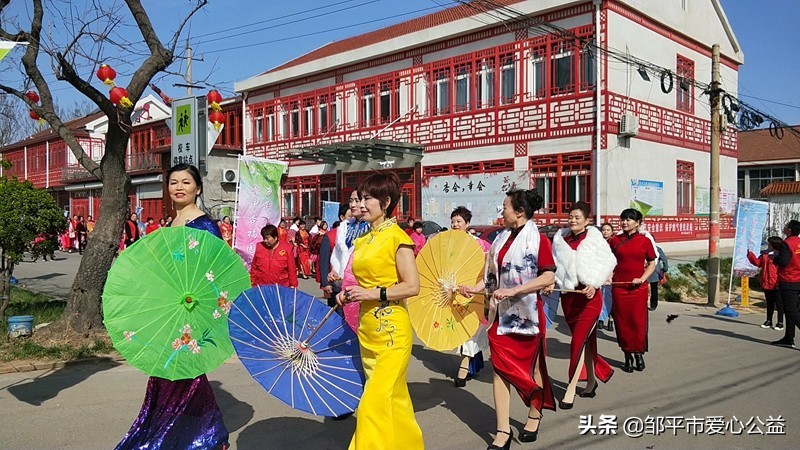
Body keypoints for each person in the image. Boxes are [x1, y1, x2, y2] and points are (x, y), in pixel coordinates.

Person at [116, 163, 230, 450]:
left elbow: (214, 269)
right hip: (168, 309)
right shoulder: (170, 224)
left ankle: (197, 435)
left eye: (186, 183)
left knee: (182, 371)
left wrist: (196, 296)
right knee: (167, 371)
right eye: (173, 183)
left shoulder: (205, 224)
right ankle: (202, 432)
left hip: (190, 310)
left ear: (198, 188)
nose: (179, 187)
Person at [459, 189, 557, 449]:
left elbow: (548, 277)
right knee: (500, 372)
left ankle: (534, 414)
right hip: (499, 316)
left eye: (505, 207)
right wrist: (475, 288)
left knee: (533, 369)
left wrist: (515, 290)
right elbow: (491, 277)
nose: (501, 212)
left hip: (527, 316)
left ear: (519, 212)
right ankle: (503, 430)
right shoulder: (500, 239)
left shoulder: (539, 242)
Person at [336, 172, 424, 450]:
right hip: (367, 332)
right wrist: (346, 292)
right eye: (360, 198)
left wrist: (373, 293)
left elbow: (412, 286)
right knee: (395, 402)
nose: (360, 204)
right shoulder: (365, 238)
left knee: (372, 404)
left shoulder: (398, 238)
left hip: (392, 335)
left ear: (385, 202)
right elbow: (361, 281)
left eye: (367, 198)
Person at [548, 201, 616, 409]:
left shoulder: (595, 239)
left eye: (578, 217)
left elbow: (609, 262)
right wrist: (551, 281)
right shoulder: (560, 239)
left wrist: (595, 284)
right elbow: (554, 265)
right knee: (586, 342)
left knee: (577, 342)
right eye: (571, 217)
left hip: (589, 299)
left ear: (587, 221)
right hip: (569, 298)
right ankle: (592, 381)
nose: (573, 220)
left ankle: (570, 388)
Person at [608, 208, 656, 372]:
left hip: (638, 288)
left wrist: (642, 278)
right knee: (622, 322)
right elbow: (608, 262)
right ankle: (627, 355)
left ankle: (638, 353)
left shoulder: (645, 241)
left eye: (629, 219)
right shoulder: (614, 240)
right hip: (619, 287)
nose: (624, 222)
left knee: (638, 322)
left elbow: (652, 263)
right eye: (623, 219)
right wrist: (608, 276)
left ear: (638, 223)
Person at [450, 206, 491, 387]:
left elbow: (487, 271)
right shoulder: (447, 243)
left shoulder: (479, 245)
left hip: (474, 292)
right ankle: (472, 363)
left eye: (459, 221)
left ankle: (464, 366)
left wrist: (477, 287)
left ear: (467, 224)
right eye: (453, 221)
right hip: (454, 293)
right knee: (459, 330)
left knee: (470, 330)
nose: (455, 224)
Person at [319, 198, 369, 308]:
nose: (353, 220)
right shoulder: (331, 235)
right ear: (342, 218)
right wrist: (325, 283)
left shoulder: (366, 232)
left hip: (358, 285)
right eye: (350, 217)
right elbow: (323, 261)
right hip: (337, 284)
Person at [771, 220, 800, 348]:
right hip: (798, 279)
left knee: (791, 310)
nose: (784, 227)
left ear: (790, 229)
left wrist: (774, 258)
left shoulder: (786, 243)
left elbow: (783, 262)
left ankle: (789, 337)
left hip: (789, 280)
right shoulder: (799, 242)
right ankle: (789, 337)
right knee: (792, 310)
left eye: (786, 225)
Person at [748, 237, 783, 330]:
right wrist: (750, 255)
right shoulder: (764, 255)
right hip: (766, 282)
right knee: (769, 303)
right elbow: (758, 263)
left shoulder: (780, 255)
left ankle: (780, 322)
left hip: (776, 283)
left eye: (770, 244)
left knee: (779, 303)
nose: (768, 246)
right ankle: (769, 320)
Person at [598, 223, 616, 332]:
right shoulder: (598, 244)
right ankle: (600, 319)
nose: (605, 232)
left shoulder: (615, 243)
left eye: (608, 230)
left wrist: (611, 274)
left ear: (612, 231)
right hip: (600, 273)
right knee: (601, 297)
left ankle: (611, 320)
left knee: (611, 298)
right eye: (603, 230)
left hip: (612, 273)